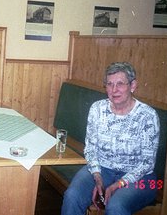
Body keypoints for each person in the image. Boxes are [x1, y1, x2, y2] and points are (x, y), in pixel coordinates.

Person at [61, 62, 160, 215]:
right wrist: (98, 177)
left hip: (141, 178)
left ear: (132, 85)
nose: (114, 90)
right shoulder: (97, 109)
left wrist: (118, 184)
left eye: (120, 84)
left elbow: (147, 163)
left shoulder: (147, 116)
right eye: (109, 84)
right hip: (103, 169)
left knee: (116, 205)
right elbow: (91, 148)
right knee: (72, 196)